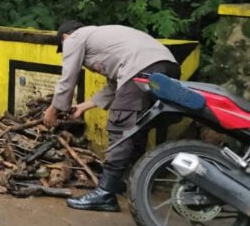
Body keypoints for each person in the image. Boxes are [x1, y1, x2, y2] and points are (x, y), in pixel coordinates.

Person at [44, 21, 179, 212]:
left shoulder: (74, 38)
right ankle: (132, 182)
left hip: (141, 69)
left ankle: (105, 193)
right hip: (168, 67)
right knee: (137, 127)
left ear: (65, 37)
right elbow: (114, 86)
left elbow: (68, 77)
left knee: (120, 126)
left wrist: (54, 109)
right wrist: (83, 106)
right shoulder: (106, 39)